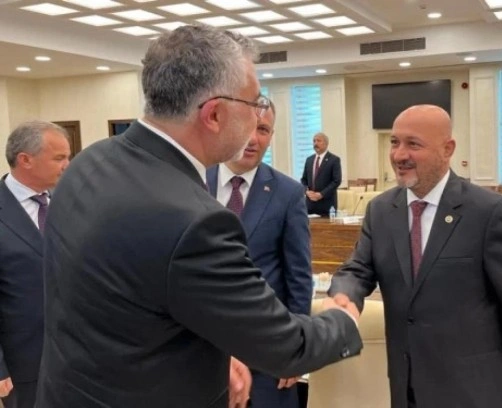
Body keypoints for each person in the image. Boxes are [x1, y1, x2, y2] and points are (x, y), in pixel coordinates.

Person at [36, 25, 361, 408]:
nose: (258, 117)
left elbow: (127, 303)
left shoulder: (89, 161)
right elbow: (285, 346)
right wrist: (344, 321)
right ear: (214, 114)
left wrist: (213, 354)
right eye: (254, 102)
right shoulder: (195, 221)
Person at [328, 105, 502, 408]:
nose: (399, 155)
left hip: (475, 391)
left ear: (447, 149)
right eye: (395, 142)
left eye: (413, 144)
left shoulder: (488, 212)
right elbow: (358, 269)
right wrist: (344, 295)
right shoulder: (380, 210)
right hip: (407, 388)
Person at [206, 100, 312, 408]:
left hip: (268, 356)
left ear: (271, 135)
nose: (253, 138)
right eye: (245, 127)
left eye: (262, 129)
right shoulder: (191, 181)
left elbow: (298, 277)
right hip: (200, 350)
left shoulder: (288, 193)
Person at [0, 121, 70, 408]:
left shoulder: (71, 202)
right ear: (25, 160)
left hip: (81, 360)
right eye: (59, 158)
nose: (67, 165)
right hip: (25, 364)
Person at [300, 132, 341, 216]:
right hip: (310, 205)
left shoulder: (334, 160)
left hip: (326, 205)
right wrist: (306, 191)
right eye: (314, 141)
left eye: (318, 141)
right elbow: (304, 180)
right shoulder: (309, 160)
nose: (315, 143)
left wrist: (321, 194)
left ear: (326, 143)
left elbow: (336, 181)